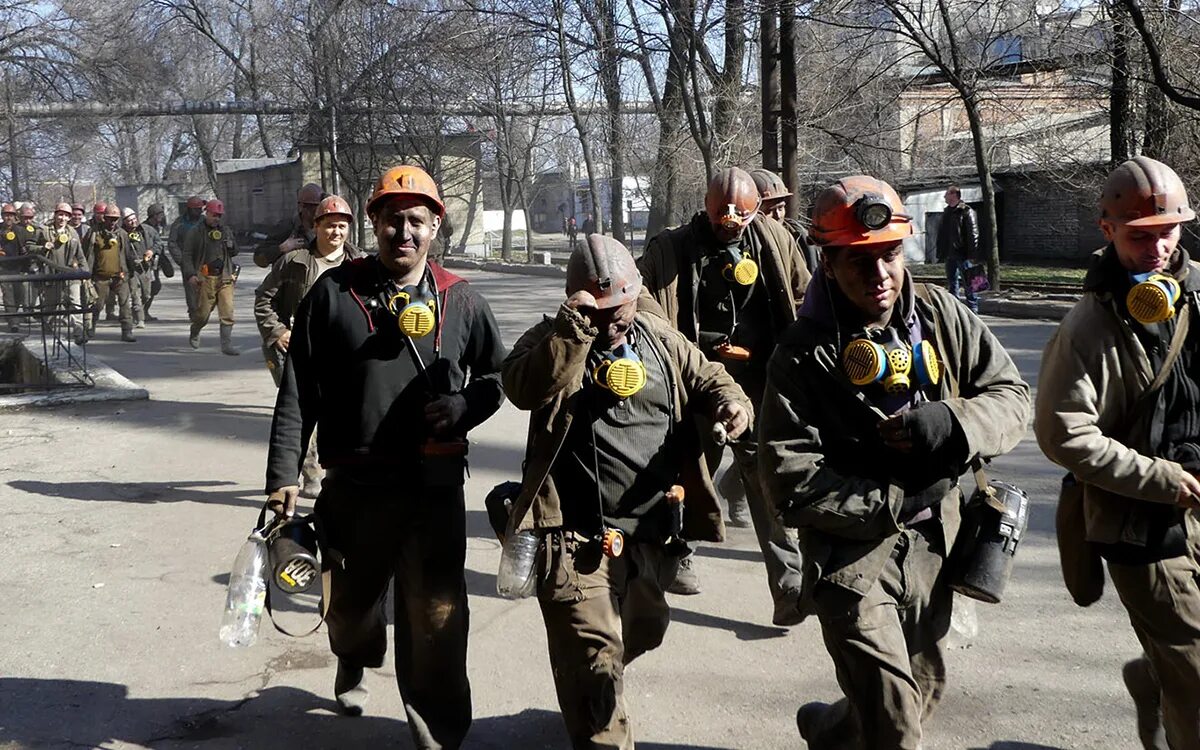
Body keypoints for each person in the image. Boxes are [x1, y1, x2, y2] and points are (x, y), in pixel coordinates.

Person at [757, 174, 1030, 749]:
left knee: (920, 692)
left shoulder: (941, 314)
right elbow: (788, 478)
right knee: (895, 725)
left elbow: (1011, 397)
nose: (880, 275)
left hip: (938, 546)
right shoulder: (801, 356)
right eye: (859, 260)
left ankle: (829, 731)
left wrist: (954, 424)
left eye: (890, 254)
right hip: (852, 559)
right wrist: (892, 499)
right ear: (827, 263)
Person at [263, 164, 505, 747]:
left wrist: (462, 406)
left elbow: (497, 377)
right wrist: (283, 475)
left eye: (417, 220)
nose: (405, 231)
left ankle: (438, 733)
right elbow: (299, 388)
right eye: (392, 219)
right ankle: (355, 654)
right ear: (373, 222)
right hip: (355, 489)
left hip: (434, 489)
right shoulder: (334, 294)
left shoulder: (459, 299)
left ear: (435, 226)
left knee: (438, 618)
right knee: (348, 611)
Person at [502, 234, 752, 749]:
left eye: (623, 305)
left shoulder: (658, 337)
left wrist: (732, 403)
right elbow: (521, 386)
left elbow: (710, 376)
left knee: (648, 628)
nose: (614, 320)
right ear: (575, 302)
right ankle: (596, 700)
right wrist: (573, 333)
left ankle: (591, 683)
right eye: (601, 309)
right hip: (574, 540)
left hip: (648, 535)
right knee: (597, 664)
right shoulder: (552, 339)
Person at [1035, 156, 1200, 750]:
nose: (1157, 248)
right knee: (1197, 680)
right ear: (1107, 231)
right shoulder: (1088, 327)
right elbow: (1062, 433)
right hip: (1140, 525)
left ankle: (1153, 677)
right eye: (1139, 235)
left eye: (1168, 232)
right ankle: (1170, 681)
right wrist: (1159, 477)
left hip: (1197, 502)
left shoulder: (1198, 297)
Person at [637, 166, 809, 622]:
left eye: (740, 217)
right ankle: (680, 554)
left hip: (759, 381)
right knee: (696, 472)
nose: (729, 223)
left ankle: (789, 584)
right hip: (697, 381)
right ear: (707, 208)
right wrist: (676, 348)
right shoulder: (671, 247)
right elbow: (638, 292)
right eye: (720, 216)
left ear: (754, 214)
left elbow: (802, 293)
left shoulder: (774, 240)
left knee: (764, 477)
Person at [181, 199, 239, 354]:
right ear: (206, 213)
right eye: (214, 215)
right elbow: (187, 255)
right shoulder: (195, 231)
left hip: (225, 276)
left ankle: (226, 345)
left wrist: (231, 245)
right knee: (203, 314)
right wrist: (191, 274)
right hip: (206, 277)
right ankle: (195, 329)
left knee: (227, 311)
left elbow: (235, 251)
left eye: (219, 216)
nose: (217, 219)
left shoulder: (225, 231)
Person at [750, 167, 820, 274]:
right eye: (770, 210)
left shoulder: (801, 237)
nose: (778, 215)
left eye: (781, 208)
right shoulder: (749, 244)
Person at [85, 204, 135, 343]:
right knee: (97, 305)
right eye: (109, 219)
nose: (112, 222)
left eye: (115, 219)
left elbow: (128, 254)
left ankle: (127, 330)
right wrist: (87, 275)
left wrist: (130, 272)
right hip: (100, 276)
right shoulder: (94, 232)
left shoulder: (122, 234)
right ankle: (90, 328)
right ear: (104, 218)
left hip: (120, 276)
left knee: (125, 304)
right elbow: (86, 254)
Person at [41, 203, 86, 340]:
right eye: (60, 214)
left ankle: (78, 332)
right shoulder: (44, 231)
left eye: (66, 215)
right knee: (51, 305)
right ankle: (50, 333)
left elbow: (80, 255)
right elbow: (30, 247)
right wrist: (43, 247)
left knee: (75, 303)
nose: (63, 218)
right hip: (52, 274)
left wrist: (85, 273)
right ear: (55, 215)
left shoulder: (72, 233)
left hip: (71, 274)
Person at [253, 182, 324, 269]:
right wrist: (281, 248)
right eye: (314, 208)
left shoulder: (325, 228)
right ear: (303, 207)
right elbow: (259, 258)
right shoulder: (287, 227)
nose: (317, 212)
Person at [937, 185, 982, 313]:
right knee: (952, 281)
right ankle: (955, 307)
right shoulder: (947, 212)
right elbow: (942, 234)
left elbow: (974, 234)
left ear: (953, 195)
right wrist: (941, 251)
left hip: (963, 254)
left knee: (970, 280)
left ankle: (973, 307)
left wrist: (973, 254)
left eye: (947, 194)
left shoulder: (966, 211)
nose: (945, 197)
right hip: (950, 253)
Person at [169, 196, 205, 318]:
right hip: (187, 261)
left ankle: (203, 309)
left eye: (201, 209)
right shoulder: (179, 223)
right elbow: (172, 243)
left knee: (205, 287)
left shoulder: (205, 221)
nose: (200, 211)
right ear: (189, 209)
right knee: (191, 288)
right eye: (197, 209)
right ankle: (193, 311)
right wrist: (182, 261)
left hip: (204, 261)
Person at [122, 208, 155, 329]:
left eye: (134, 219)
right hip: (130, 269)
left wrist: (151, 251)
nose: (132, 222)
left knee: (147, 294)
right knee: (134, 294)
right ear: (124, 221)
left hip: (145, 267)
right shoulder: (122, 233)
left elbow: (157, 243)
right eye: (129, 220)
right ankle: (140, 319)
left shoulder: (145, 230)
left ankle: (136, 311)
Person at [141, 204, 173, 321]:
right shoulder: (144, 228)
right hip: (147, 261)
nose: (162, 216)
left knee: (154, 286)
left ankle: (144, 310)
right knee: (148, 287)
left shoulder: (157, 227)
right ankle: (140, 311)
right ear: (153, 215)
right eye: (160, 214)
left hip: (156, 262)